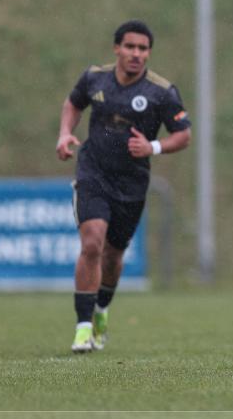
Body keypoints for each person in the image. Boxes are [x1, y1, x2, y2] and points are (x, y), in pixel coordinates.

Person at [57, 21, 192, 353]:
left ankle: (101, 311)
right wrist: (64, 133)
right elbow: (73, 103)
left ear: (148, 53)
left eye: (143, 49)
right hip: (93, 172)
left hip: (131, 182)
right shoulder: (94, 78)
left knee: (114, 255)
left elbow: (183, 134)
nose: (136, 54)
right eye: (130, 47)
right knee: (92, 243)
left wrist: (153, 148)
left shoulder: (161, 91)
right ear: (116, 48)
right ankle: (83, 328)